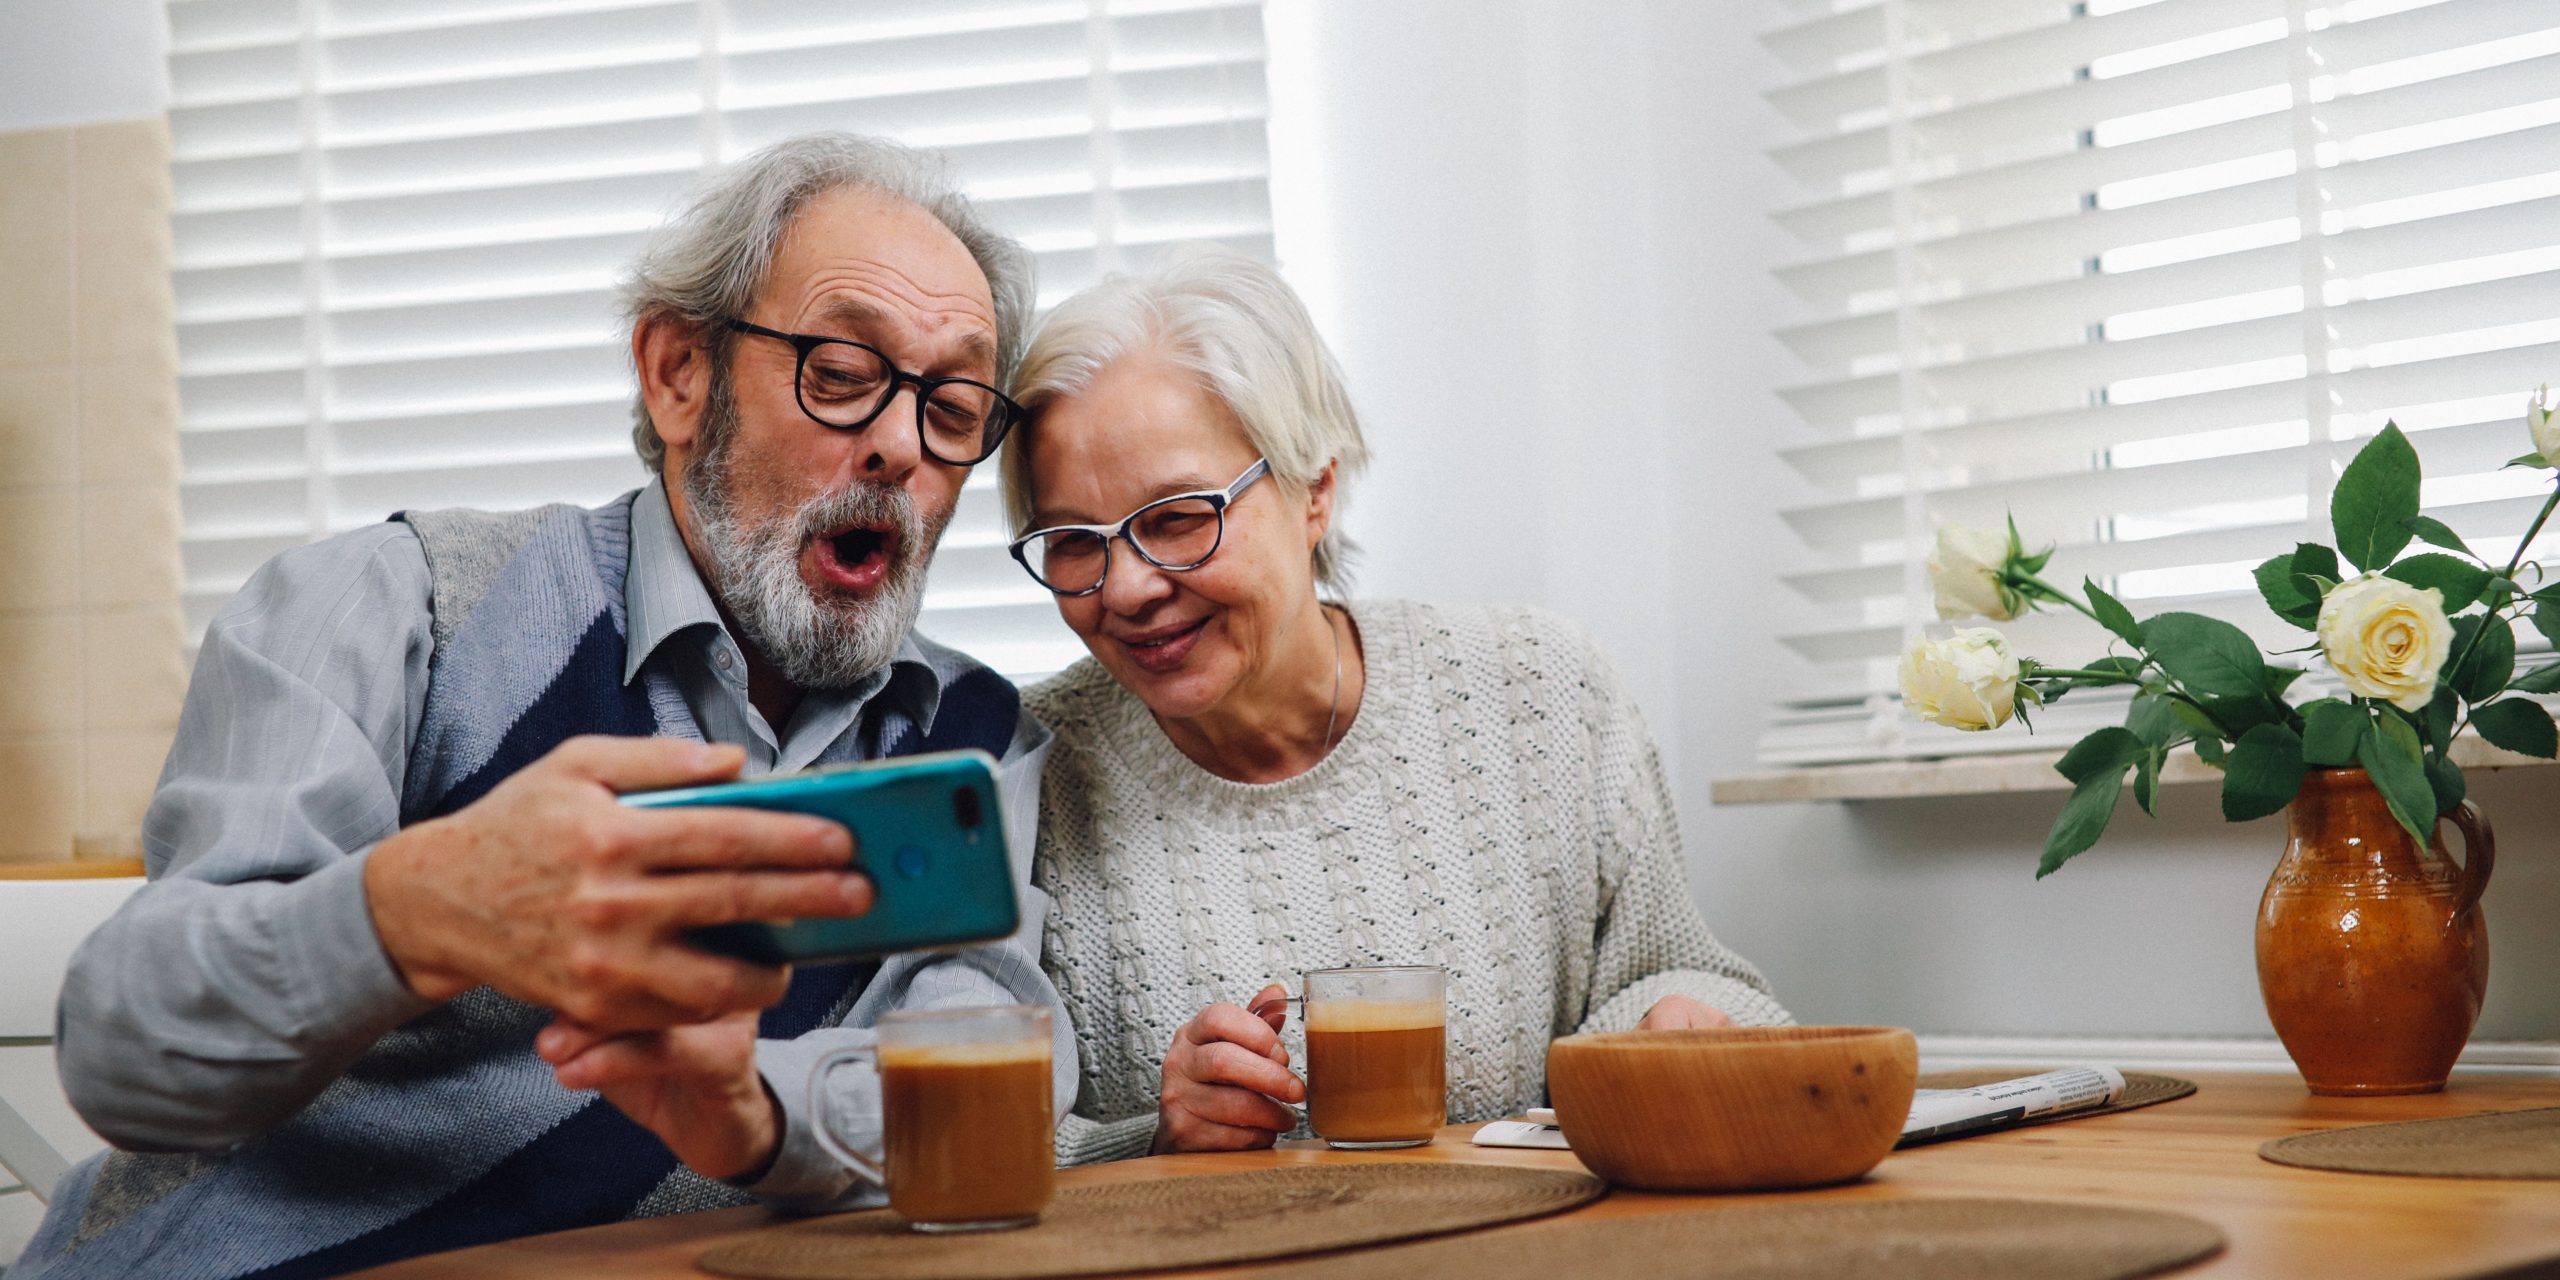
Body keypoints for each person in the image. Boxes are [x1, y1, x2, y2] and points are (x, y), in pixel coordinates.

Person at [15, 133, 1077, 1280]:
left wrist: (754, 1118)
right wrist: (412, 912)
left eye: (954, 404)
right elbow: (125, 1047)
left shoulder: (968, 744)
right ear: (679, 373)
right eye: (839, 372)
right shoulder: (394, 607)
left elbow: (998, 1077)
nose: (897, 445)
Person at [1001, 248, 1790, 1163]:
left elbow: (1685, 973)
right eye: (1070, 541)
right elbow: (958, 1146)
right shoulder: (1025, 775)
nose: (1126, 589)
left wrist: (1677, 1020)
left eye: (1178, 518)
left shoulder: (1540, 694)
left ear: (1315, 490)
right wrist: (1153, 1137)